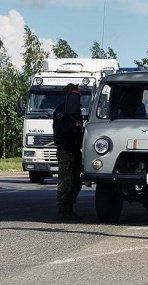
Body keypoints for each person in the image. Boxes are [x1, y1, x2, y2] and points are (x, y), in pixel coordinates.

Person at [53, 83, 83, 220]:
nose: (80, 97)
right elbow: (62, 130)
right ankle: (62, 208)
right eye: (76, 94)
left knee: (77, 180)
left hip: (75, 148)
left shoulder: (76, 110)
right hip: (65, 149)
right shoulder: (62, 111)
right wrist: (75, 126)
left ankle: (69, 207)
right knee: (66, 179)